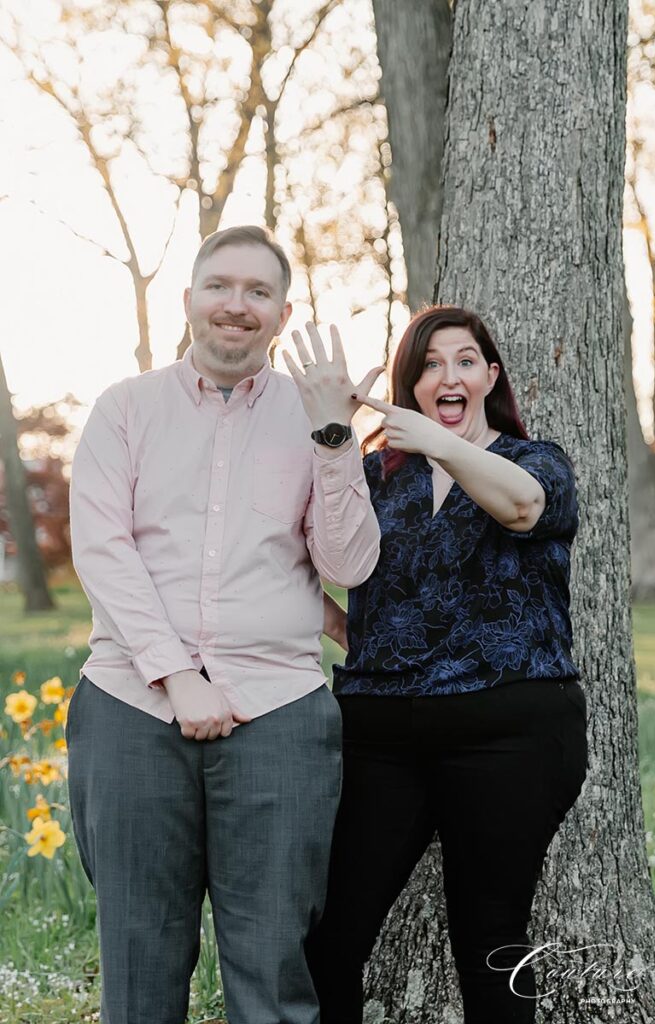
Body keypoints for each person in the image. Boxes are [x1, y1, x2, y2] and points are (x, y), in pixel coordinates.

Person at [67, 224, 384, 1024]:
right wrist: (176, 676)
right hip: (131, 706)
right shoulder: (124, 410)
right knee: (139, 960)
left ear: (282, 314)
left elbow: (346, 566)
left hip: (277, 710)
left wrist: (334, 437)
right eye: (220, 286)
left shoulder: (318, 418)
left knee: (274, 960)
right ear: (189, 301)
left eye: (258, 292)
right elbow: (102, 552)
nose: (235, 306)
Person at [306, 305, 589, 1024]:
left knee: (489, 939)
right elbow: (322, 560)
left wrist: (437, 441)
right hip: (379, 737)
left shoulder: (534, 462)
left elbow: (522, 510)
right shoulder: (376, 476)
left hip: (509, 734)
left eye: (463, 360)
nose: (447, 375)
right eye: (428, 365)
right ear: (410, 383)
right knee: (328, 938)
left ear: (489, 377)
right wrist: (352, 633)